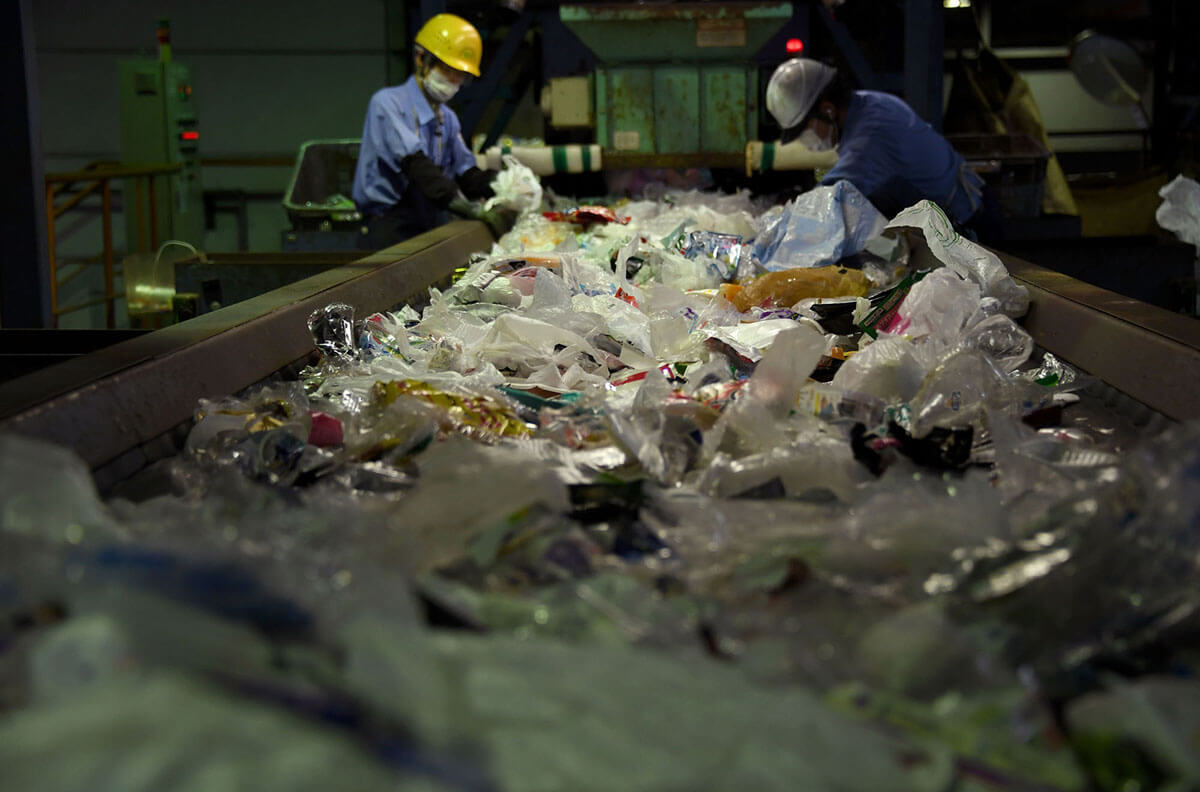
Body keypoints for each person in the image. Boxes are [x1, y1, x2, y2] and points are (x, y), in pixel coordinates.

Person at [352, 13, 514, 247]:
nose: (454, 80)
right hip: (387, 226)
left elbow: (467, 174)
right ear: (421, 59)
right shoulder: (387, 104)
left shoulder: (447, 118)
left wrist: (508, 185)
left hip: (427, 223)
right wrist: (467, 207)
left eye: (461, 75)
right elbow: (416, 166)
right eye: (448, 69)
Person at [766, 58, 983, 229]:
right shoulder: (866, 104)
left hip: (966, 224)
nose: (805, 141)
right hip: (947, 211)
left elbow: (828, 199)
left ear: (827, 110)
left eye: (804, 130)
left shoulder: (870, 135)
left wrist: (783, 225)